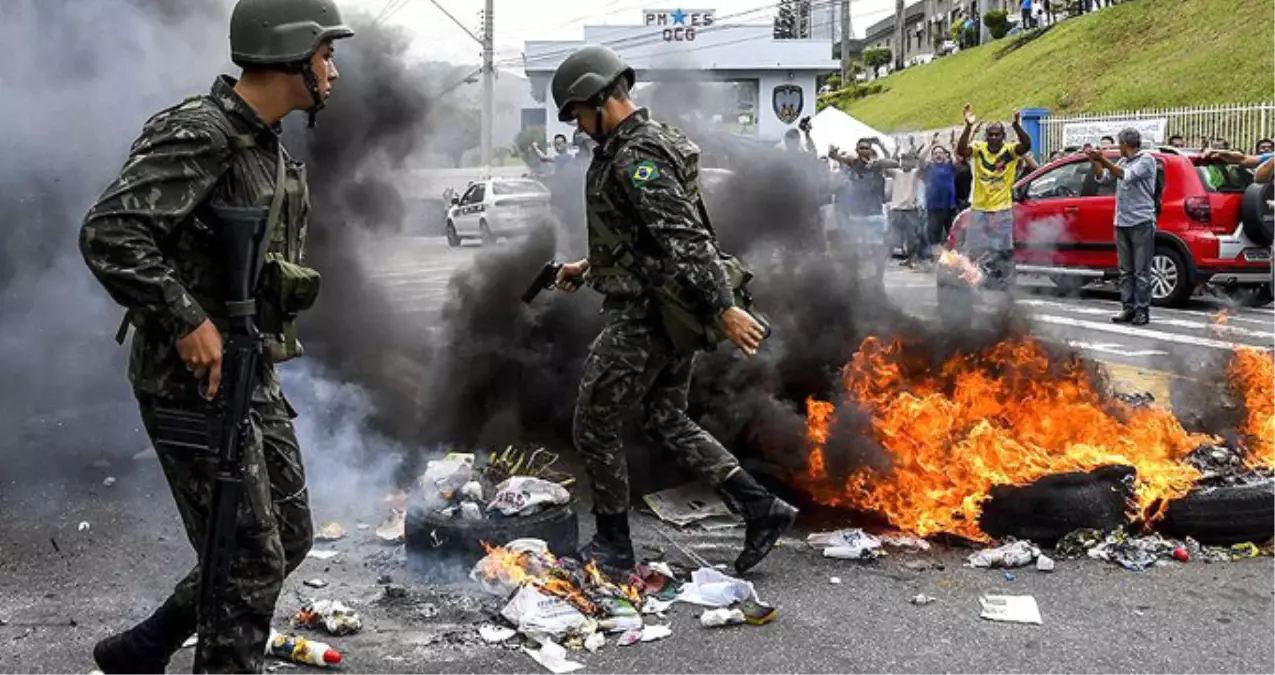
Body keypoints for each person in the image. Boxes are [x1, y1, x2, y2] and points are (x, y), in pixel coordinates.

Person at [78, 0, 353, 672]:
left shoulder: (264, 144)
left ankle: (147, 644)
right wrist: (186, 319)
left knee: (286, 535)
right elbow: (110, 231)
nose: (333, 71)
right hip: (190, 380)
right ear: (292, 53)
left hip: (248, 371)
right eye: (326, 54)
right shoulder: (200, 134)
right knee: (246, 558)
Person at [547, 45, 797, 575]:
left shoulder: (637, 155)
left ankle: (613, 545)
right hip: (666, 306)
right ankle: (761, 507)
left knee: (594, 421)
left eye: (577, 114)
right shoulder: (640, 144)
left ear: (597, 98)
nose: (578, 126)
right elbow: (636, 241)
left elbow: (684, 237)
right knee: (664, 418)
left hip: (648, 313)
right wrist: (585, 267)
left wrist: (724, 307)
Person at [1086, 128, 1158, 326]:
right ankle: (1127, 308)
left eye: (1119, 143)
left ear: (1126, 144)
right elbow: (1103, 179)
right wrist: (1095, 161)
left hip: (1141, 221)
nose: (1118, 147)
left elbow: (1125, 175)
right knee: (1125, 270)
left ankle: (1142, 310)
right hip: (1122, 221)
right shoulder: (1123, 160)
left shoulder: (1146, 160)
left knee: (1141, 271)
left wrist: (1103, 159)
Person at [956, 104, 1032, 287]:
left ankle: (1004, 282)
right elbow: (962, 151)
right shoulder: (979, 149)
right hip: (979, 208)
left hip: (1001, 209)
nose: (993, 138)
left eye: (997, 134)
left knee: (1003, 250)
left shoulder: (1010, 151)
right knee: (974, 250)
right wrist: (967, 127)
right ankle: (973, 281)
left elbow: (1026, 145)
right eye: (990, 134)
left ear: (1003, 137)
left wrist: (1016, 126)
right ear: (986, 136)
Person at [830, 138, 899, 284]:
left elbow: (895, 163)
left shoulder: (877, 165)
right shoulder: (853, 163)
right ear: (857, 150)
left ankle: (878, 278)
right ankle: (856, 279)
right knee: (856, 249)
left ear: (871, 150)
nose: (864, 151)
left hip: (875, 214)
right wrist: (834, 153)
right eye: (861, 148)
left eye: (867, 148)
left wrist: (879, 157)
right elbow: (835, 156)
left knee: (878, 249)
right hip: (857, 214)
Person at [920, 134, 958, 257]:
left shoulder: (950, 166)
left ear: (945, 155)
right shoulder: (929, 168)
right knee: (934, 237)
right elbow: (920, 160)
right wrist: (931, 143)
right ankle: (937, 260)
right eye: (935, 153)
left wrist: (953, 144)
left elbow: (958, 157)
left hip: (949, 207)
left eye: (940, 152)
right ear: (932, 157)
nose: (938, 154)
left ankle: (953, 260)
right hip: (934, 208)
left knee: (953, 235)